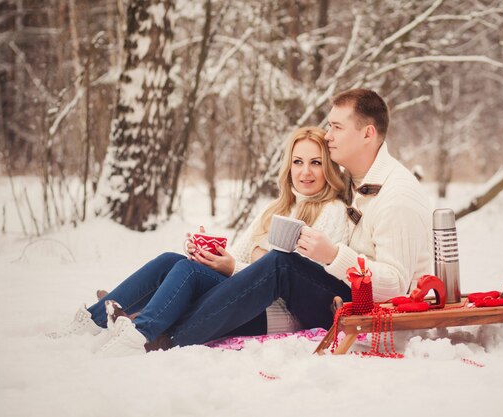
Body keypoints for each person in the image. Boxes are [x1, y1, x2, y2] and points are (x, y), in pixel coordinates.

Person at [76, 88, 432, 355]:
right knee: (179, 263)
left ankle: (150, 335)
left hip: (340, 302)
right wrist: (224, 260)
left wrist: (332, 254)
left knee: (279, 263)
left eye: (336, 127)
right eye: (298, 162)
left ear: (367, 134)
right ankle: (98, 321)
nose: (328, 135)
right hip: (316, 290)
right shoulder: (356, 181)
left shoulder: (395, 196)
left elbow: (398, 286)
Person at [48, 126, 349, 353]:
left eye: (316, 162)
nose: (305, 171)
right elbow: (243, 259)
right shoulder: (276, 209)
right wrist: (212, 255)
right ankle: (91, 321)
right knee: (173, 261)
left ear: (328, 168)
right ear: (288, 166)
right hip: (246, 296)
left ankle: (139, 334)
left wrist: (231, 268)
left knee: (189, 273)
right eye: (298, 162)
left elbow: (288, 280)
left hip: (275, 312)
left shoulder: (332, 211)